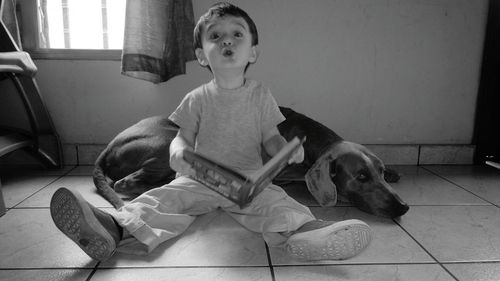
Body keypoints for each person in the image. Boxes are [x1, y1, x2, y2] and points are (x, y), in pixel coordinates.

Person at [50, 2, 372, 262]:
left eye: (236, 34)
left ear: (253, 52)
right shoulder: (196, 98)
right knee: (162, 200)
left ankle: (309, 233)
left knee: (280, 204)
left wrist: (283, 149)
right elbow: (182, 137)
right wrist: (177, 152)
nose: (227, 41)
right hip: (199, 179)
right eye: (216, 37)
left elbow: (271, 136)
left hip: (248, 180)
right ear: (203, 55)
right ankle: (112, 228)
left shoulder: (261, 95)